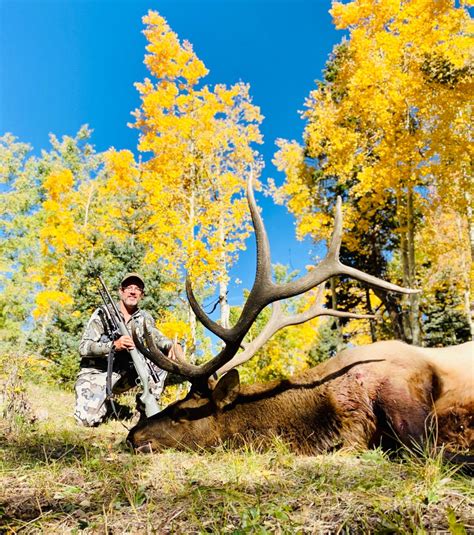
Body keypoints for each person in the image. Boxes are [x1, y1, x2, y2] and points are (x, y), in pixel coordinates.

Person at [74, 272, 181, 427]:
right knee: (85, 421)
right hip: (99, 372)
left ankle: (144, 414)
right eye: (129, 287)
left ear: (142, 295)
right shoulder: (103, 313)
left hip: (126, 374)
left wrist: (173, 345)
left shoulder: (144, 318)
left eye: (137, 289)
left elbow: (157, 337)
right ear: (121, 291)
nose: (132, 291)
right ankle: (106, 406)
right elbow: (83, 347)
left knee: (160, 359)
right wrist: (113, 346)